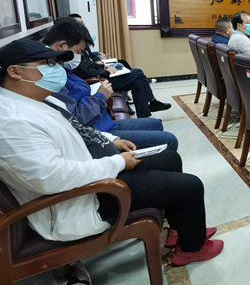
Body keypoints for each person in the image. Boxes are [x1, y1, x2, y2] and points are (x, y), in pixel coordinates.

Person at [0, 39, 223, 266]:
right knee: (191, 186)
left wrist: (111, 139)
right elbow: (52, 178)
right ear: (15, 72)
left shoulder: (38, 98)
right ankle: (191, 250)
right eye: (47, 63)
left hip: (92, 173)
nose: (56, 69)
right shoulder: (12, 121)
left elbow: (77, 128)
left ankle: (181, 229)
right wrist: (118, 163)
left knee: (169, 158)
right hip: (81, 198)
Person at [42, 18, 179, 150]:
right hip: (97, 131)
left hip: (101, 121)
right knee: (169, 140)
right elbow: (75, 120)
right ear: (62, 45)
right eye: (78, 52)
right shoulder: (51, 77)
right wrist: (100, 96)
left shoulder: (60, 67)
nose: (78, 56)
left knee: (155, 124)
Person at [65, 16, 171, 118]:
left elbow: (88, 62)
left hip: (99, 76)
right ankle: (152, 101)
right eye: (78, 23)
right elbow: (84, 71)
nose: (81, 25)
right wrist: (106, 71)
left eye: (82, 23)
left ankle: (144, 117)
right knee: (138, 73)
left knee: (138, 82)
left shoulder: (78, 42)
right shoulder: (70, 50)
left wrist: (103, 66)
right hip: (98, 81)